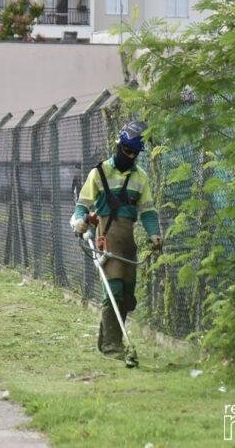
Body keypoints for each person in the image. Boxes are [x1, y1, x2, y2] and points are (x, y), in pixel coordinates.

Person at [70, 121, 162, 359]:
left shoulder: (140, 178)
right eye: (127, 150)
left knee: (127, 296)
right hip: (106, 238)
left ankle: (106, 339)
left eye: (135, 153)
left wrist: (154, 234)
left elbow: (148, 211)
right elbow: (82, 205)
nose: (131, 156)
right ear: (119, 146)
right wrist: (79, 221)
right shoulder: (99, 173)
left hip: (128, 241)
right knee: (114, 288)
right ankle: (113, 346)